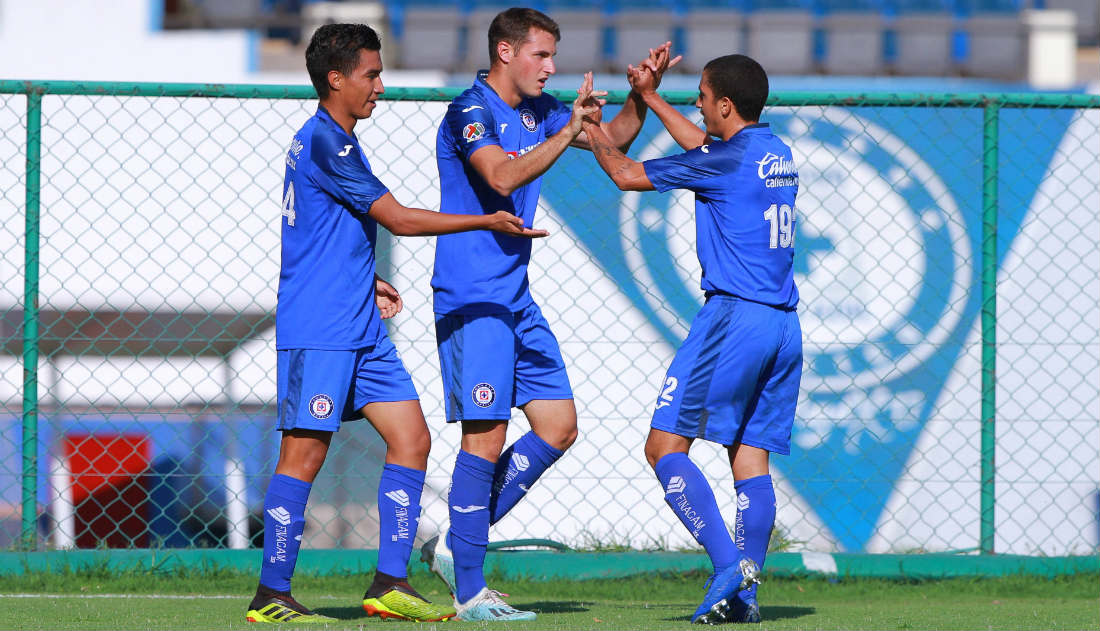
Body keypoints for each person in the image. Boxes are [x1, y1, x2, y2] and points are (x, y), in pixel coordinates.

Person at [245, 23, 547, 625]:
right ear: (337, 80)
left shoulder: (336, 141)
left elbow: (324, 228)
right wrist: (486, 222)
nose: (380, 86)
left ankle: (389, 582)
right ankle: (271, 595)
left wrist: (367, 279)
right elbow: (400, 221)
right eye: (371, 74)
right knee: (303, 457)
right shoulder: (328, 141)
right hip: (321, 328)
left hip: (359, 322)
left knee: (412, 438)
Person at [418, 6, 680, 623]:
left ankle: (458, 546)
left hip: (516, 297)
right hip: (472, 295)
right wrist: (565, 134)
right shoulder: (470, 111)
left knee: (558, 426)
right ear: (505, 53)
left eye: (553, 56)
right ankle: (469, 590)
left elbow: (609, 141)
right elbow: (502, 177)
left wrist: (642, 98)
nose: (552, 67)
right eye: (541, 55)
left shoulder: (540, 110)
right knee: (486, 436)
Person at [580, 53, 801, 624]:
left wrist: (591, 131)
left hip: (734, 319)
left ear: (725, 105)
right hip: (783, 324)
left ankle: (727, 566)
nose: (696, 105)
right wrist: (651, 98)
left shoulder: (724, 159)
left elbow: (627, 175)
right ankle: (744, 599)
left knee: (664, 448)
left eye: (701, 97)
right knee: (750, 460)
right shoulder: (774, 151)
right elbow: (709, 147)